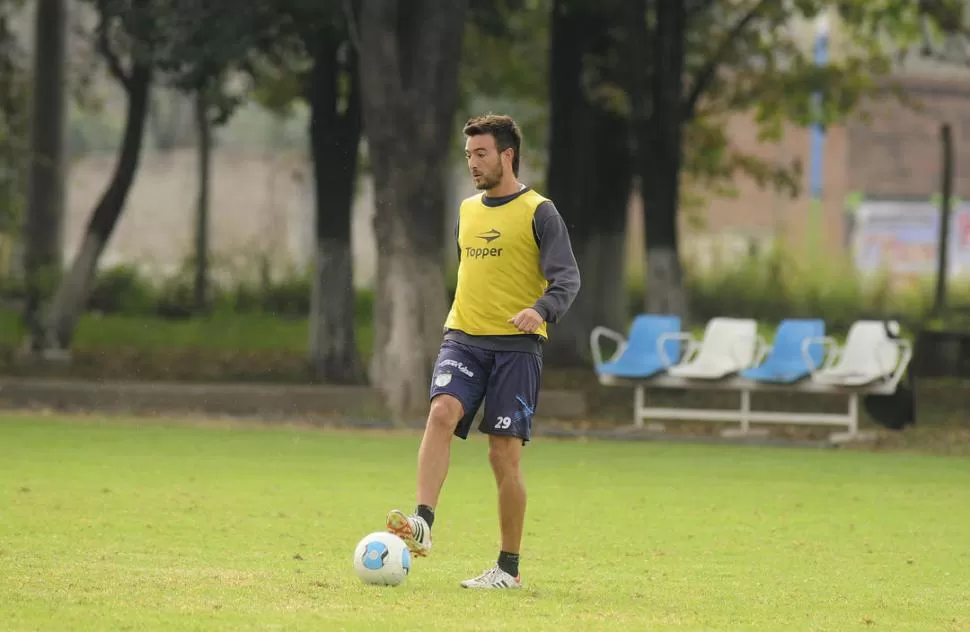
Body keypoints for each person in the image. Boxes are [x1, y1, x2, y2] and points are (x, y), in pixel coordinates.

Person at [384, 113, 581, 589]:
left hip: (517, 348)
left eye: (481, 154)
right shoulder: (468, 210)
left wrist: (540, 310)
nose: (473, 163)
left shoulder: (540, 211)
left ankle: (508, 570)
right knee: (441, 413)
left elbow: (567, 278)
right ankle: (423, 522)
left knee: (502, 457)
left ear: (507, 155)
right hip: (464, 338)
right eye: (469, 154)